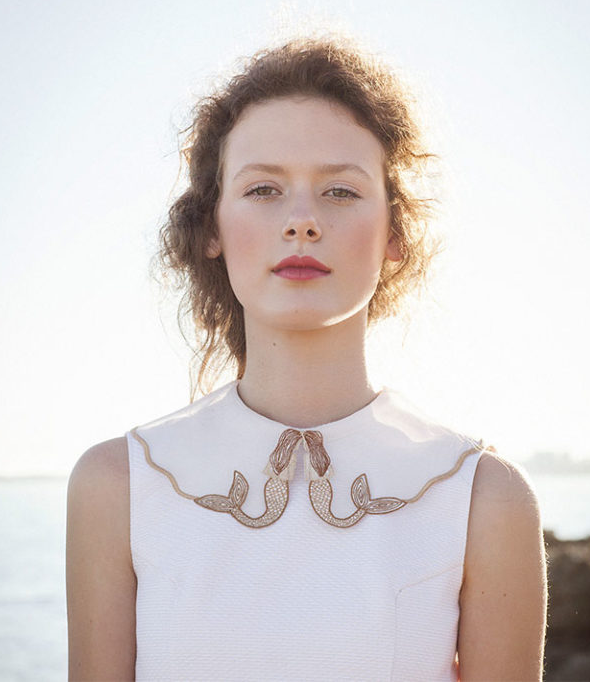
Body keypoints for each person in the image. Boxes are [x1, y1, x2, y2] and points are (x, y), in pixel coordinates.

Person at [66, 34, 547, 681]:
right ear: (211, 227)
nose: (301, 221)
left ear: (395, 234)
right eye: (263, 189)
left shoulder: (485, 498)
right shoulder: (116, 487)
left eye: (341, 192)